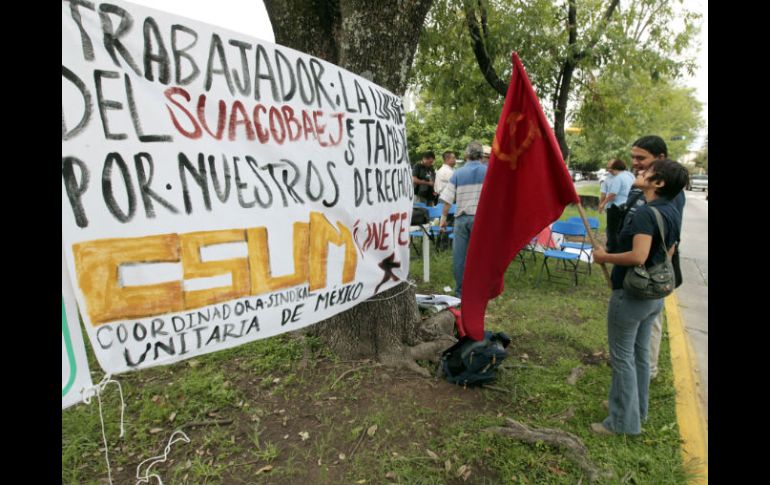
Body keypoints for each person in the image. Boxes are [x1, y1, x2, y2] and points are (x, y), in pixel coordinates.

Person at [591, 159, 689, 435]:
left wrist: (604, 257)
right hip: (654, 295)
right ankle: (637, 410)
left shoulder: (647, 214)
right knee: (640, 355)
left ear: (658, 183)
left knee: (622, 358)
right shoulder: (671, 209)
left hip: (632, 295)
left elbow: (638, 256)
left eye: (647, 171)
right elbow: (669, 250)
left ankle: (623, 423)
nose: (640, 172)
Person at [622, 136, 686, 380]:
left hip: (649, 273)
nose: (635, 163)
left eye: (641, 158)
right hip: (636, 269)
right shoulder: (643, 186)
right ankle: (639, 367)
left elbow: (669, 238)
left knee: (650, 322)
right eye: (633, 157)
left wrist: (654, 275)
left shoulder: (669, 192)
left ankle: (646, 370)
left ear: (660, 159)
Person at [438, 141, 488, 298]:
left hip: (461, 219)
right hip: (481, 220)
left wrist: (443, 219)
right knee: (480, 256)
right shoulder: (488, 172)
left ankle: (460, 292)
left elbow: (447, 199)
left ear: (466, 155)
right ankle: (479, 291)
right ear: (481, 155)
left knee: (459, 256)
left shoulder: (458, 173)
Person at [598, 159, 634, 253]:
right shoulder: (629, 175)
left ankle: (612, 249)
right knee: (621, 228)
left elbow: (612, 194)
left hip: (616, 206)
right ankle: (620, 248)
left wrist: (603, 203)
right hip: (628, 205)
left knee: (612, 229)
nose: (609, 169)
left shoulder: (618, 177)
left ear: (615, 167)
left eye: (610, 167)